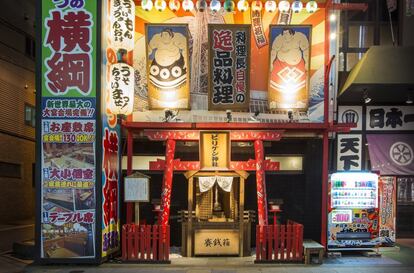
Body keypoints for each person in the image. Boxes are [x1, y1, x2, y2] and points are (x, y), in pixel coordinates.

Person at [269, 28, 309, 109]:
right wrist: (271, 63)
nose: (285, 36)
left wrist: (307, 62)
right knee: (274, 79)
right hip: (281, 64)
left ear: (291, 33)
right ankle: (274, 100)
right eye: (284, 34)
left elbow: (306, 50)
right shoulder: (279, 39)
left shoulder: (300, 37)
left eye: (286, 34)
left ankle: (300, 101)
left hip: (297, 64)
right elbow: (273, 51)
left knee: (301, 81)